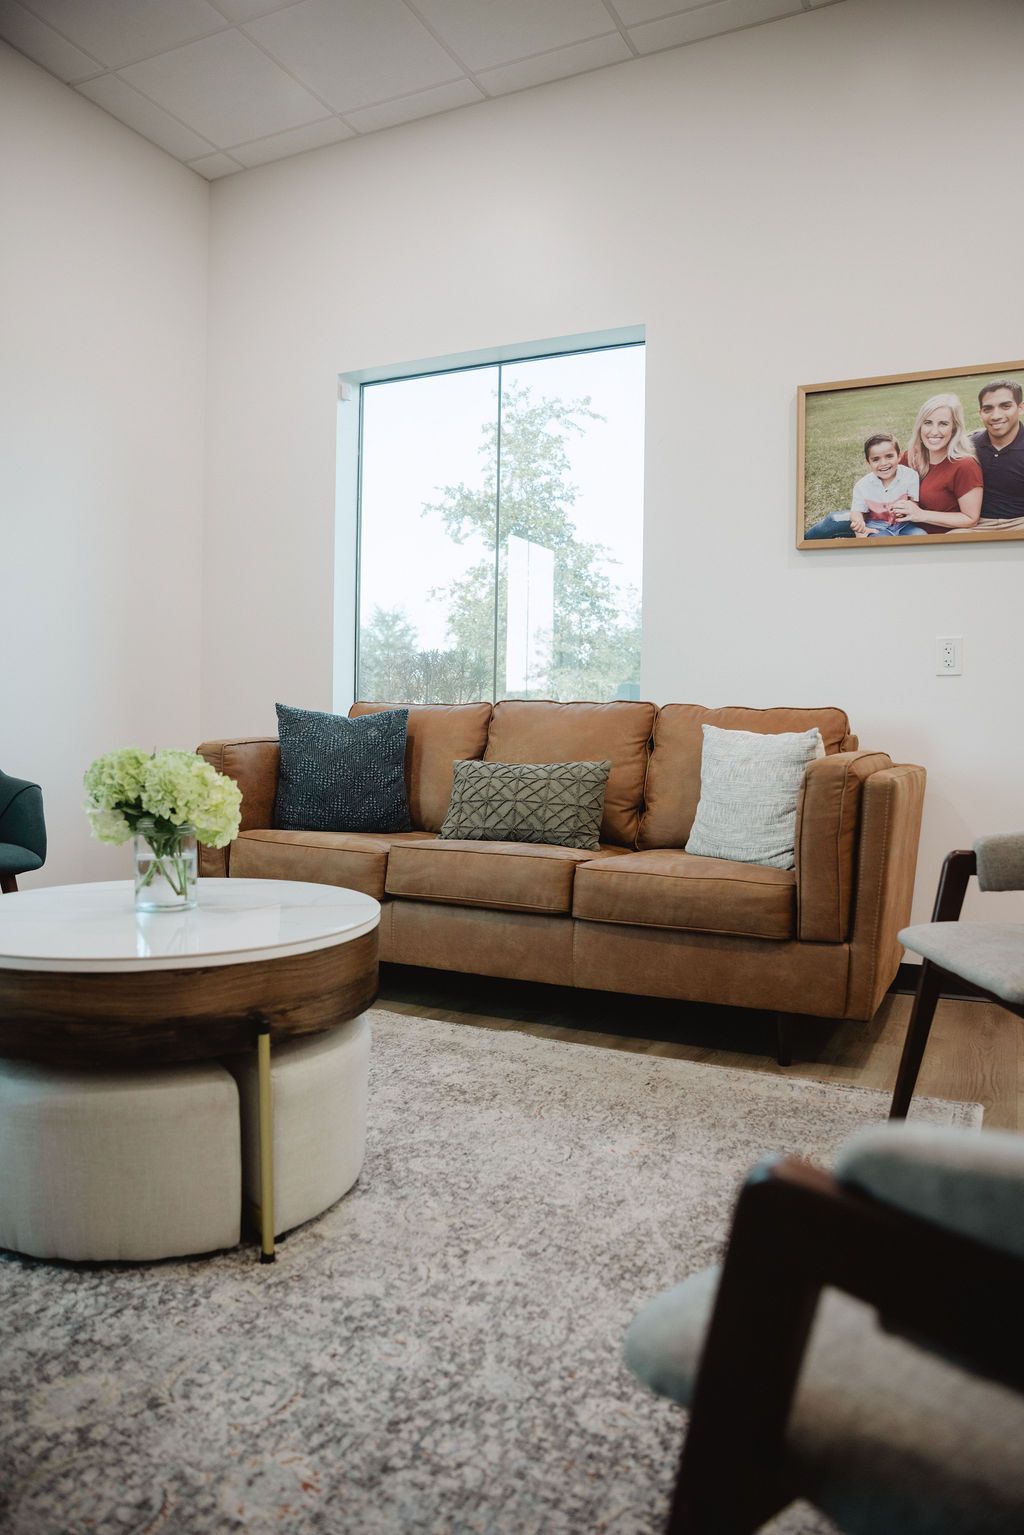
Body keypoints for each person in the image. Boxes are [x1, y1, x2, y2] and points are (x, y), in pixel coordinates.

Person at [888, 392, 982, 535]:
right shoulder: (911, 457)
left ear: (954, 428)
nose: (934, 431)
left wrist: (921, 514)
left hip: (939, 542)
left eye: (943, 424)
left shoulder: (965, 465)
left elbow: (970, 518)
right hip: (898, 531)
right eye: (928, 423)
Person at [970, 378, 1024, 531]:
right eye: (988, 409)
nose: (996, 416)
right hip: (979, 524)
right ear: (980, 413)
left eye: (1005, 406)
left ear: (1020, 408)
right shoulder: (969, 446)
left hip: (1020, 522)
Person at [848, 432, 925, 537]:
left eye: (889, 456)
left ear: (899, 456)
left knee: (920, 535)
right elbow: (856, 512)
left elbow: (914, 503)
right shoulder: (862, 486)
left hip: (904, 524)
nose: (883, 463)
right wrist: (859, 522)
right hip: (877, 526)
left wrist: (905, 510)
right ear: (868, 462)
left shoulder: (910, 476)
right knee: (880, 543)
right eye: (876, 459)